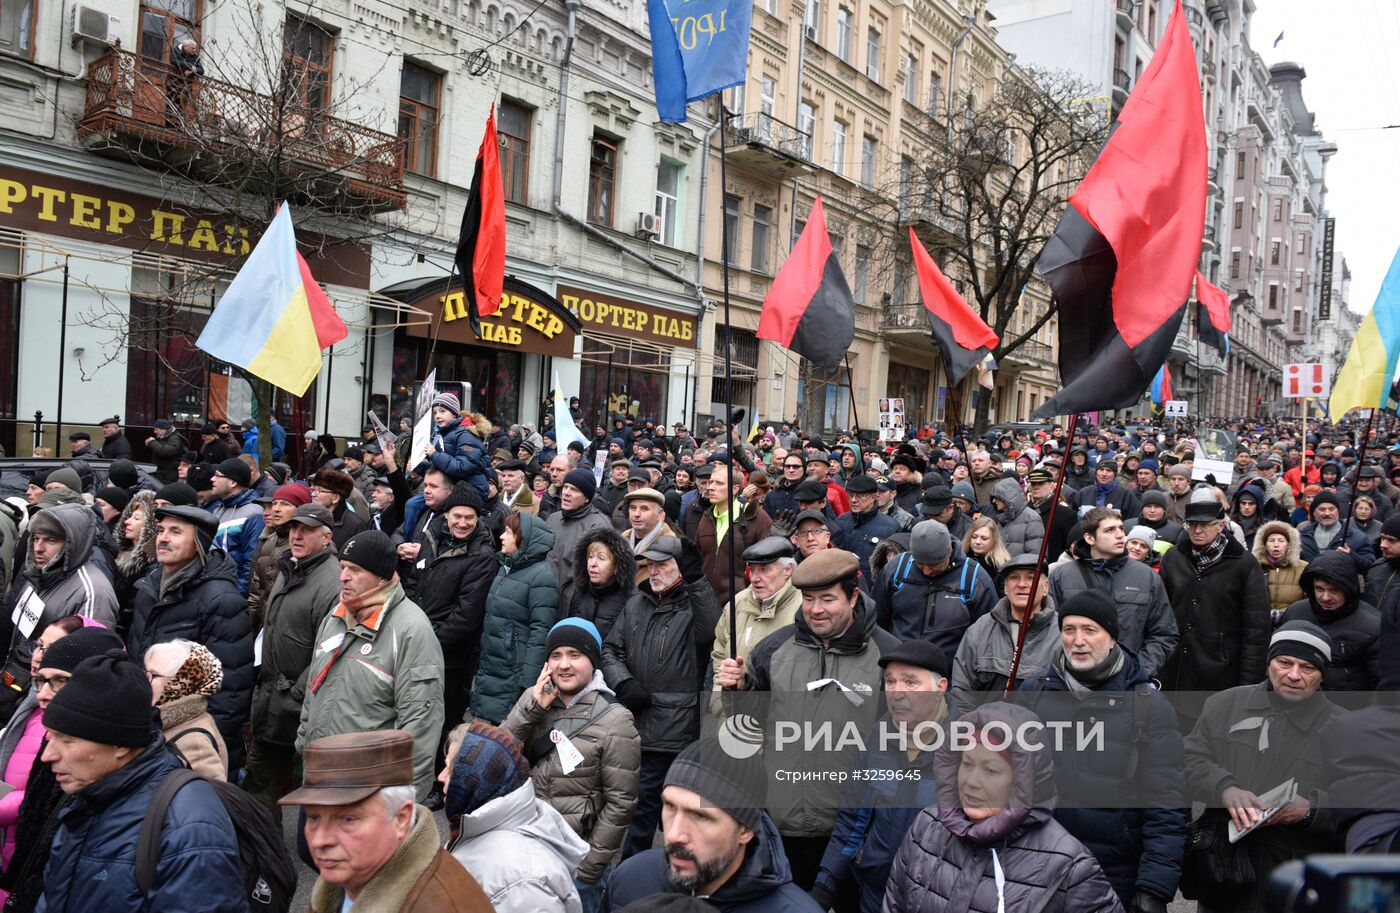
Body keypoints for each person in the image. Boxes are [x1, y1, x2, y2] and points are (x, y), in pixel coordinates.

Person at [714, 549, 899, 890]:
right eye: (809, 599)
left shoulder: (888, 656)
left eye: (828, 599)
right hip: (782, 824)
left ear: (853, 596)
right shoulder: (773, 650)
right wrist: (739, 691)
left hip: (851, 831)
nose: (816, 610)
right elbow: (749, 728)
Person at [36, 650, 245, 911]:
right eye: (51, 736)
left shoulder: (189, 827)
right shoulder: (89, 795)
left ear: (120, 745)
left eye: (67, 740)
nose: (48, 755)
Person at [1019, 591, 1187, 911]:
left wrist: (1154, 886)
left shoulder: (1147, 706)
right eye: (1069, 630)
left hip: (1113, 872)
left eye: (1090, 630)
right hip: (1038, 865)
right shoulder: (1035, 692)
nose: (1078, 640)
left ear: (1111, 637)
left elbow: (1166, 803)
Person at [882, 702, 1125, 913]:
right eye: (967, 764)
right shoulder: (926, 827)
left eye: (991, 770)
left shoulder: (1069, 866)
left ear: (1023, 781)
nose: (972, 782)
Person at [1182, 622, 1341, 913]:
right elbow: (1186, 761)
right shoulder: (1223, 705)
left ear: (1322, 676)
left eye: (1307, 667)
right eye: (1284, 662)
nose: (1293, 675)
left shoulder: (1344, 729)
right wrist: (1223, 787)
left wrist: (1309, 811)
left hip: (1297, 882)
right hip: (1226, 875)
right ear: (1269, 663)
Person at [297, 530, 446, 799]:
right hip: (319, 776)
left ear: (382, 576)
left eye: (355, 570)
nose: (343, 576)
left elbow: (420, 724)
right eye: (342, 567)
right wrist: (304, 739)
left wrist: (396, 797)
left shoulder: (411, 630)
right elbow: (314, 688)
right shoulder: (335, 616)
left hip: (368, 792)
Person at [504, 618, 640, 911]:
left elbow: (621, 803)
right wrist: (530, 706)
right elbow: (498, 758)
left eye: (574, 655)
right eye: (556, 656)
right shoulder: (536, 704)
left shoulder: (616, 720)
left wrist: (590, 867)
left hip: (576, 859)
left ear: (592, 660)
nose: (564, 664)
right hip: (529, 848)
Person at [281, 730, 494, 913]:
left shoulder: (448, 905)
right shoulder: (348, 876)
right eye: (314, 817)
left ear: (401, 819)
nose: (319, 840)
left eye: (347, 819)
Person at [601, 536, 720, 859]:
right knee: (634, 805)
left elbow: (710, 631)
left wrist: (697, 581)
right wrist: (623, 683)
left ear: (680, 568)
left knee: (659, 809)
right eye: (651, 564)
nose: (654, 571)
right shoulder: (636, 603)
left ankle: (660, 875)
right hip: (633, 719)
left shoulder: (691, 607)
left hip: (673, 727)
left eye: (663, 564)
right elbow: (611, 649)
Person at [606, 737, 822, 913]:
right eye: (670, 807)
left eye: (701, 817)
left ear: (745, 829)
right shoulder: (631, 878)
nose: (674, 835)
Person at [815, 639, 950, 913]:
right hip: (876, 893)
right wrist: (825, 885)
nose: (897, 692)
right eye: (890, 682)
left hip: (938, 899)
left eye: (910, 682)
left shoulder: (968, 745)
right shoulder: (877, 738)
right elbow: (852, 819)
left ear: (941, 687)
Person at [125, 504, 253, 765]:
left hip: (187, 739)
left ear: (198, 544)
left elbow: (231, 688)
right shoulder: (150, 586)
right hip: (145, 727)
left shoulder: (221, 600)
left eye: (175, 532)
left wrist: (214, 750)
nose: (162, 538)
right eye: (160, 530)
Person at [243, 502, 342, 821]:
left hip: (291, 702)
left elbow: (330, 649)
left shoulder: (331, 582)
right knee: (263, 784)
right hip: (273, 694)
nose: (297, 536)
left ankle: (266, 863)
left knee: (263, 785)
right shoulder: (291, 566)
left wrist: (294, 693)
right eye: (294, 529)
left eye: (307, 530)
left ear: (326, 537)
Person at [440, 720, 589, 913]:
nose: (441, 776)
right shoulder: (475, 826)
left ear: (476, 782)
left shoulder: (524, 884)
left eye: (450, 770)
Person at [0, 504, 118, 716]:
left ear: (73, 544)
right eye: (36, 539)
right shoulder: (40, 575)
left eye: (50, 540)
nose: (38, 547)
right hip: (15, 687)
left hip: (43, 701)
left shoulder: (92, 591)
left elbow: (87, 664)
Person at [1159, 489, 1272, 698]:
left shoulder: (1245, 565)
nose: (1197, 530)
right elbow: (1159, 612)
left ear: (1220, 525)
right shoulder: (1174, 557)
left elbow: (1256, 631)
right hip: (1172, 668)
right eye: (1192, 524)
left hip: (1218, 674)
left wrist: (1248, 685)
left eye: (1205, 525)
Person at [1048, 507, 1178, 679]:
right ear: (1089, 537)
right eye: (1109, 530)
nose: (1120, 535)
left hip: (1125, 681)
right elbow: (1050, 631)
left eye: (1121, 529)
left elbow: (1164, 633)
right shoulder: (1062, 576)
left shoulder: (1147, 577)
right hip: (1073, 678)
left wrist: (1140, 669)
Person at [468, 512, 559, 725]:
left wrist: (526, 684)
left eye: (509, 532)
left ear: (524, 539)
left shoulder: (542, 577)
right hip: (491, 667)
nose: (501, 537)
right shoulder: (506, 568)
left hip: (512, 674)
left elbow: (541, 633)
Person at [873, 520, 997, 669]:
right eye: (920, 564)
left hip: (947, 673)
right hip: (898, 666)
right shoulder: (896, 569)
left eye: (934, 565)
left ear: (949, 554)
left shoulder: (975, 580)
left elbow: (987, 638)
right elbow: (877, 621)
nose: (926, 571)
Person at [951, 553, 1059, 707]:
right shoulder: (981, 629)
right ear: (1005, 587)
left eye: (1031, 577)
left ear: (1046, 587)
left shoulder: (1063, 633)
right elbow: (961, 689)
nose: (1022, 584)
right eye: (1014, 577)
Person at [709, 538, 801, 695]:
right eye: (752, 569)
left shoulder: (804, 608)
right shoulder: (736, 604)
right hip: (735, 713)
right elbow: (719, 656)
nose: (754, 578)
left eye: (764, 570)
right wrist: (720, 703)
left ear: (788, 570)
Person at [1281, 550, 1381, 691]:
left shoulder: (1374, 626)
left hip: (1349, 709)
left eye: (1334, 590)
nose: (1325, 597)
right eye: (1319, 589)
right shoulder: (1295, 612)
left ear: (1349, 589)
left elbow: (1383, 684)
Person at [144, 639, 229, 780]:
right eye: (146, 672)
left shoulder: (195, 742)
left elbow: (209, 797)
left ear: (180, 683)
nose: (146, 680)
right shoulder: (170, 719)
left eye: (154, 675)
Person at [694, 463, 774, 608]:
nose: (710, 487)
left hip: (743, 605)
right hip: (705, 605)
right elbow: (697, 560)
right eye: (711, 482)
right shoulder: (705, 518)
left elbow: (769, 567)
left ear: (735, 489)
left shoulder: (757, 518)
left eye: (718, 483)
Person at [547, 468, 614, 608]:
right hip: (545, 599)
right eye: (565, 487)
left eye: (574, 490)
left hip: (574, 605)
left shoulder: (599, 525)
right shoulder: (553, 519)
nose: (566, 493)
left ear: (587, 498)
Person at [830, 474, 900, 588]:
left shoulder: (891, 527)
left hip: (872, 592)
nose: (853, 500)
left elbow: (893, 568)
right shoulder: (840, 522)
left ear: (873, 497)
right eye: (851, 495)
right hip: (841, 587)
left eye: (859, 496)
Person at [1298, 490, 1375, 575]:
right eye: (1322, 509)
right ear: (1314, 513)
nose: (1327, 513)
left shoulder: (1357, 537)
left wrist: (1351, 555)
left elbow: (1370, 565)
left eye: (1331, 509)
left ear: (1338, 511)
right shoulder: (1302, 536)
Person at [112, 490, 158, 621]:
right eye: (129, 516)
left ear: (150, 526)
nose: (127, 521)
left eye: (136, 518)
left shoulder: (149, 564)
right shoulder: (117, 553)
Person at [622, 487, 680, 585]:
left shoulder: (671, 548)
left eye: (644, 509)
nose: (636, 514)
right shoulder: (621, 541)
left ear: (660, 514)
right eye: (633, 508)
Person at [1254, 519, 1307, 619]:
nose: (1276, 545)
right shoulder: (1255, 567)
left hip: (1292, 622)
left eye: (1281, 541)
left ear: (1288, 545)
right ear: (1264, 545)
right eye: (1271, 540)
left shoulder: (1303, 568)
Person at [309, 467, 370, 551]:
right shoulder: (310, 516)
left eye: (320, 491)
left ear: (335, 498)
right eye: (313, 490)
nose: (313, 494)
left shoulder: (355, 525)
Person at [988, 477, 1046, 559]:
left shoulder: (1031, 519)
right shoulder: (999, 518)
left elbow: (1035, 556)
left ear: (1008, 497)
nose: (994, 501)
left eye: (997, 497)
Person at [961, 516, 1011, 590]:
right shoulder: (960, 560)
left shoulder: (1002, 566)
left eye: (984, 538)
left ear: (994, 540)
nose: (977, 542)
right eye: (974, 537)